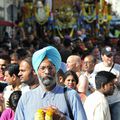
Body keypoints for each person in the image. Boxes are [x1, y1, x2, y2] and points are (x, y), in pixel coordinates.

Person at [15, 46, 87, 120]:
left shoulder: (71, 96)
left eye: (50, 68)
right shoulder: (26, 98)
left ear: (56, 69)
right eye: (43, 68)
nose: (47, 72)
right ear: (36, 72)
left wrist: (62, 118)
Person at [92, 46, 120, 120]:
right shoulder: (97, 67)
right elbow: (94, 83)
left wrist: (118, 84)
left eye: (111, 55)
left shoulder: (118, 68)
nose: (110, 58)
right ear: (102, 56)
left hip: (115, 101)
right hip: (102, 101)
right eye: (108, 56)